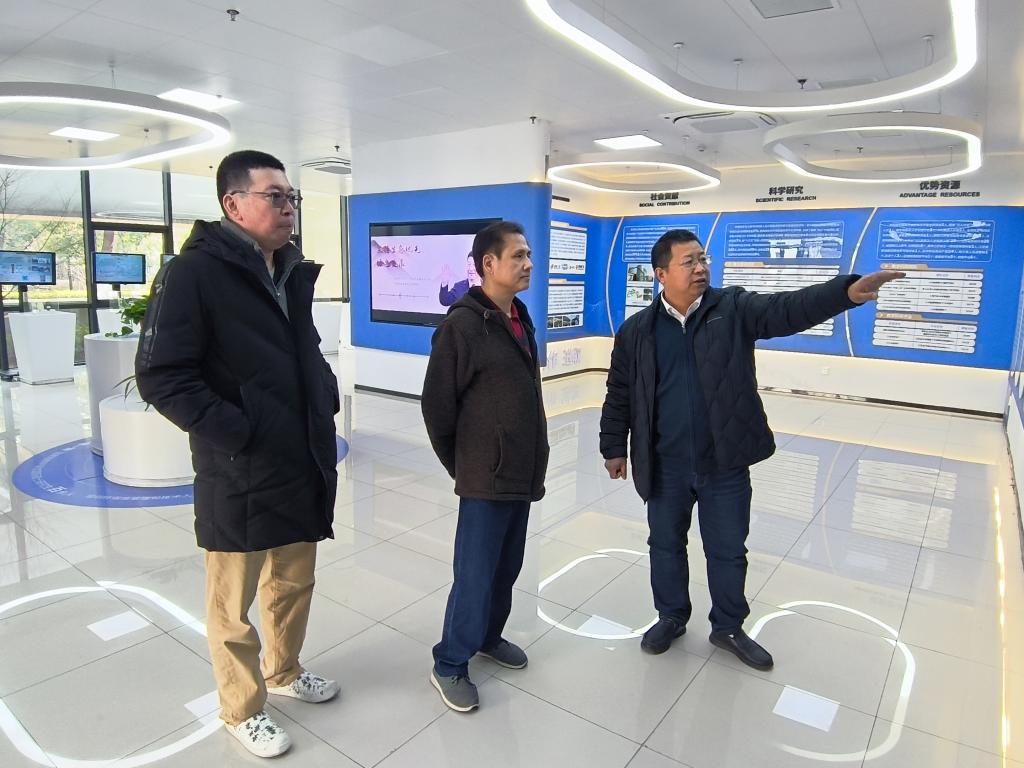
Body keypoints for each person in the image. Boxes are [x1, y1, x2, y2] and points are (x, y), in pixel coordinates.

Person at [599, 229, 903, 669]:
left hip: (724, 462)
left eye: (703, 259)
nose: (701, 268)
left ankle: (727, 626)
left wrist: (844, 293)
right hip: (664, 465)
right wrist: (613, 446)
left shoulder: (733, 309)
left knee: (728, 550)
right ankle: (671, 616)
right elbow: (620, 393)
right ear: (661, 274)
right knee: (664, 546)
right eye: (689, 261)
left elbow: (787, 309)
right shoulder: (637, 331)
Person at [135, 150, 341, 758]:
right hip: (238, 466)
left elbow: (303, 348)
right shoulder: (193, 273)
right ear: (233, 204)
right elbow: (162, 374)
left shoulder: (289, 269)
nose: (288, 207)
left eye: (291, 196)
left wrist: (323, 396)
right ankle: (242, 708)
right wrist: (238, 431)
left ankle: (284, 670)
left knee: (294, 581)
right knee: (233, 603)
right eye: (274, 196)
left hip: (298, 455)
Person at [421, 221, 549, 712]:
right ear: (488, 264)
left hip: (520, 471)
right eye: (518, 256)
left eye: (528, 255)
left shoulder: (518, 317)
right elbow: (437, 407)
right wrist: (466, 466)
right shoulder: (462, 326)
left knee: (505, 568)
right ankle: (450, 662)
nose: (528, 264)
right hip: (484, 476)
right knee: (474, 574)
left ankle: (488, 637)